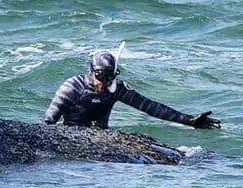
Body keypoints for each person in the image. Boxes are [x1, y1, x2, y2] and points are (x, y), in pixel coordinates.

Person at [44, 50, 221, 129]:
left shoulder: (116, 88)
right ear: (91, 71)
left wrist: (189, 120)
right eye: (100, 76)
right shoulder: (73, 87)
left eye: (109, 77)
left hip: (101, 138)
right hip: (72, 136)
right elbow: (49, 121)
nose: (104, 82)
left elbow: (150, 107)